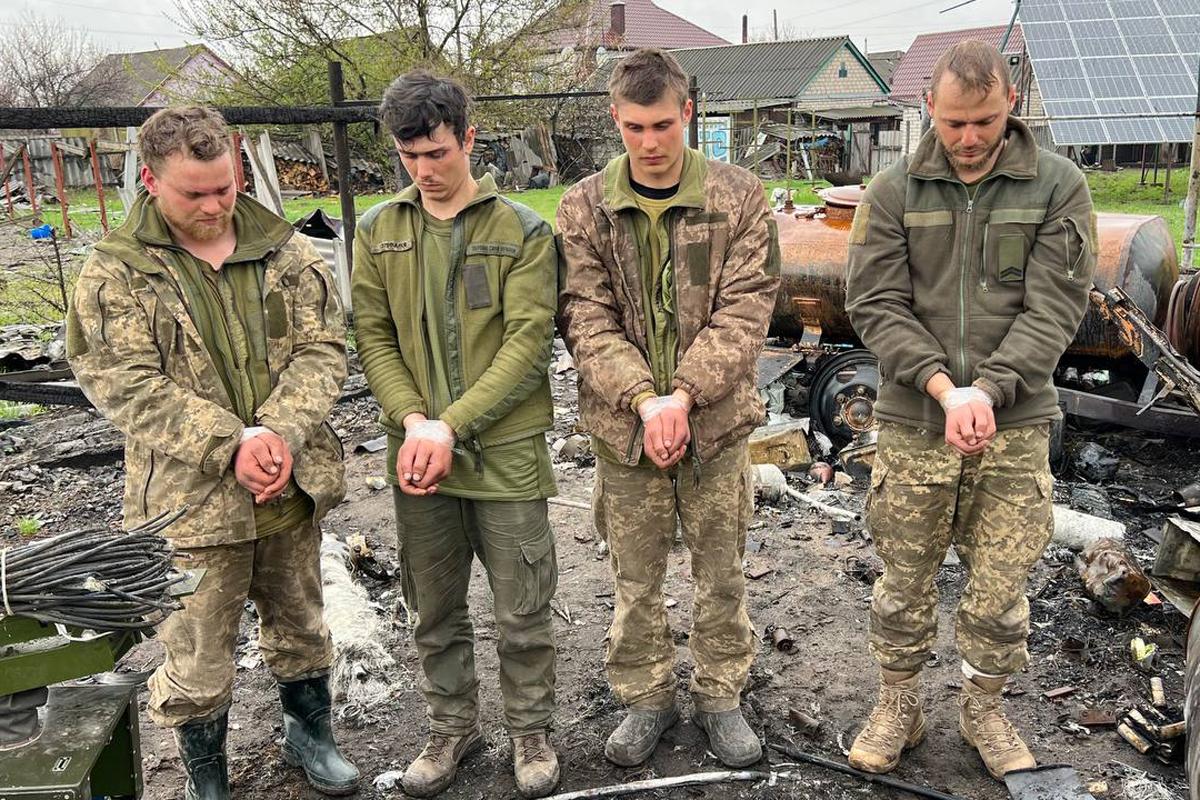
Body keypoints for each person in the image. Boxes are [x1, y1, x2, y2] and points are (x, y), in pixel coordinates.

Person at [66, 106, 357, 799]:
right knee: (196, 652)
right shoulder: (117, 273)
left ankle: (310, 736)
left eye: (225, 187)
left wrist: (277, 434)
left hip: (288, 486)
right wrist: (232, 445)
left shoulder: (285, 250)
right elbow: (122, 383)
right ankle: (207, 773)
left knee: (301, 624)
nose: (215, 204)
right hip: (189, 505)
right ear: (150, 179)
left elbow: (323, 348)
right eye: (194, 193)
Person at [845, 40, 1096, 780]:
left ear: (1010, 101)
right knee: (903, 580)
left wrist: (988, 390)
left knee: (1000, 585)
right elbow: (874, 302)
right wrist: (941, 386)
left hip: (1013, 428)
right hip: (914, 422)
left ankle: (984, 706)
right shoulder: (892, 191)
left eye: (982, 120)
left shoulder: (1058, 187)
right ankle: (900, 703)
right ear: (930, 108)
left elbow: (1055, 307)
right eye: (953, 122)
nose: (968, 138)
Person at [556, 48, 780, 769]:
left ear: (687, 113)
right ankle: (646, 695)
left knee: (722, 571)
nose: (649, 144)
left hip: (714, 428)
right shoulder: (584, 206)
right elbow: (585, 317)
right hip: (625, 432)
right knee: (635, 574)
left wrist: (682, 397)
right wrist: (646, 401)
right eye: (633, 128)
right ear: (615, 121)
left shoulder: (740, 197)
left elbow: (746, 312)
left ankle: (720, 695)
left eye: (661, 125)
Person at [350, 71, 561, 799]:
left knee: (522, 605)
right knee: (432, 606)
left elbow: (529, 343)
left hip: (503, 455)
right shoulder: (378, 231)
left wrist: (453, 422)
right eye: (410, 158)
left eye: (437, 153)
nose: (425, 171)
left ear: (469, 138)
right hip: (419, 459)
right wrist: (415, 420)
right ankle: (451, 727)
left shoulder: (524, 232)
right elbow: (373, 337)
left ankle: (530, 729)